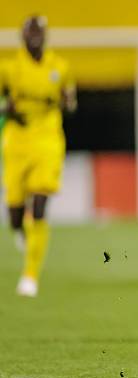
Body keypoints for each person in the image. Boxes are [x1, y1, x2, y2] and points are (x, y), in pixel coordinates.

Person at [0, 16, 77, 297]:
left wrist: (68, 102)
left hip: (47, 141)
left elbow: (71, 102)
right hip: (16, 143)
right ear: (22, 36)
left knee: (41, 204)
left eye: (39, 32)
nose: (34, 37)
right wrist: (5, 108)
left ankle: (30, 275)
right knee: (15, 215)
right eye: (30, 32)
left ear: (45, 35)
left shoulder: (60, 67)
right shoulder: (8, 69)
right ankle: (21, 231)